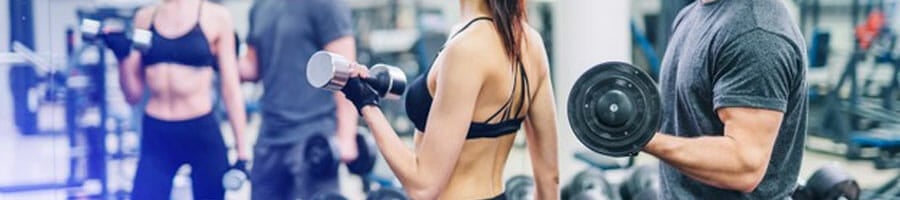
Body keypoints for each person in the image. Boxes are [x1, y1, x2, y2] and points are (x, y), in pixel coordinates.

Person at [338, 0, 559, 199]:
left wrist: (366, 103)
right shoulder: (530, 42)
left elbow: (423, 186)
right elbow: (550, 179)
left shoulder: (465, 50)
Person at [641, 0, 808, 199]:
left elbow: (743, 166)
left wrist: (644, 139)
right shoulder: (691, 15)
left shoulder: (756, 32)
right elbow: (680, 115)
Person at [107, 0, 249, 199]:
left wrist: (242, 154)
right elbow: (133, 95)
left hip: (200, 132)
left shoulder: (217, 16)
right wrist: (122, 56)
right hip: (157, 134)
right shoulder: (145, 17)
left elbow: (231, 89)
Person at [237, 0, 359, 199]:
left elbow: (347, 73)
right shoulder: (260, 6)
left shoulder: (326, 4)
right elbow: (252, 67)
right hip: (270, 136)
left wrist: (347, 136)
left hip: (313, 135)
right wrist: (213, 48)